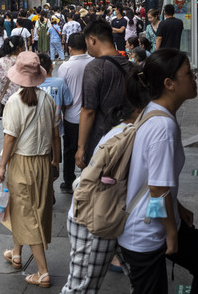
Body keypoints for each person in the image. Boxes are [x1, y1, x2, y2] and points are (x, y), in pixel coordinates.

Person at [119, 49, 198, 293]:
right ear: (169, 84)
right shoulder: (163, 127)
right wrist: (172, 233)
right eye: (188, 73)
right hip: (146, 232)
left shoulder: (155, 111)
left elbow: (155, 178)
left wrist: (178, 208)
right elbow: (158, 189)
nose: (193, 77)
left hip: (155, 219)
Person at [61, 98, 146, 294]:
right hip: (96, 219)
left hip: (109, 215)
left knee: (144, 278)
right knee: (80, 288)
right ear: (140, 109)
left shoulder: (123, 131)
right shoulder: (127, 136)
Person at [0, 51, 59, 288]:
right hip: (43, 162)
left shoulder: (14, 102)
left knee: (27, 213)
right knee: (29, 210)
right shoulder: (48, 99)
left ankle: (42, 272)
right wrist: (56, 162)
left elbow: (10, 139)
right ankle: (16, 252)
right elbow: (56, 135)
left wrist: (2, 166)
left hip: (22, 162)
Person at [75, 19, 131, 168]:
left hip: (102, 141)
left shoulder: (95, 67)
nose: (87, 49)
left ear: (92, 40)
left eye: (87, 43)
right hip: (128, 137)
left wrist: (81, 148)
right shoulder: (129, 64)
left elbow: (88, 111)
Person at [57, 33, 94, 193]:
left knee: (70, 149)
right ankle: (89, 178)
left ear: (69, 48)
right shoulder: (94, 63)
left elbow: (62, 93)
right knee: (90, 148)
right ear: (86, 46)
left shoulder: (65, 67)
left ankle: (69, 181)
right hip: (92, 115)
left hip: (72, 116)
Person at [37, 52, 73, 163]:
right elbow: (68, 103)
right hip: (56, 126)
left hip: (37, 129)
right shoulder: (59, 83)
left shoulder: (33, 84)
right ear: (52, 67)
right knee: (54, 164)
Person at [0, 35, 26, 105]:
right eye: (24, 46)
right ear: (19, 48)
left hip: (6, 101)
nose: (25, 48)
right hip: (24, 101)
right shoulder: (26, 61)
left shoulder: (0, 62)